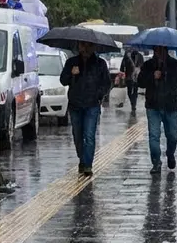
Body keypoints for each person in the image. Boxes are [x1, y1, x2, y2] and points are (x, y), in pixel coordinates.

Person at [137, 45, 177, 174]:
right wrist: (152, 76)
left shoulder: (175, 64)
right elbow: (140, 82)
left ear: (166, 50)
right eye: (156, 50)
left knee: (172, 135)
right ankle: (156, 162)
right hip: (153, 106)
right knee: (154, 136)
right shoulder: (148, 65)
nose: (159, 52)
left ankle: (170, 153)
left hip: (171, 106)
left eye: (161, 50)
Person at [59, 41, 112, 177]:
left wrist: (98, 95)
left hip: (92, 105)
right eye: (83, 45)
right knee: (78, 135)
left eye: (89, 46)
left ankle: (87, 164)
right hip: (75, 104)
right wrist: (71, 74)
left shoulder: (100, 63)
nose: (86, 49)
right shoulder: (72, 62)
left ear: (94, 47)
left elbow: (106, 83)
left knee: (89, 135)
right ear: (79, 46)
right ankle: (82, 158)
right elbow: (63, 80)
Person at [120, 47, 144, 113]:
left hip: (136, 77)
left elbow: (143, 66)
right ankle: (132, 103)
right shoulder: (127, 55)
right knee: (129, 91)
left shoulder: (140, 56)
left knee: (135, 91)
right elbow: (122, 66)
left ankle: (134, 104)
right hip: (129, 77)